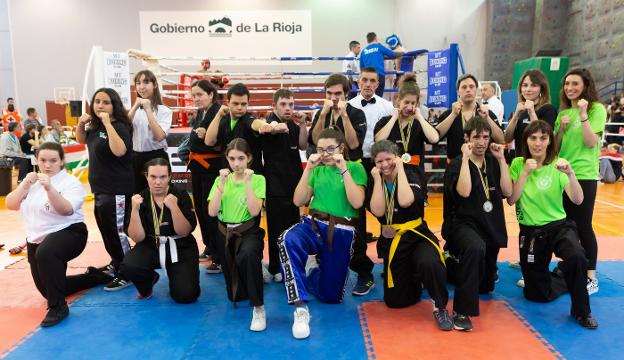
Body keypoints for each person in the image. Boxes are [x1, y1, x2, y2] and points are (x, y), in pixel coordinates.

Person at [5, 142, 113, 327]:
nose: (47, 165)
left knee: (46, 253)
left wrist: (50, 189)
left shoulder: (71, 183)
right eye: (43, 160)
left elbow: (66, 210)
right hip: (37, 239)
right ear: (37, 161)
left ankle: (58, 308)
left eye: (53, 161)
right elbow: (11, 205)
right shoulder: (31, 182)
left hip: (70, 233)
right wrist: (24, 186)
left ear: (62, 161)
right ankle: (94, 277)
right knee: (48, 289)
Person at [507, 120, 598, 329]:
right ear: (526, 140)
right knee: (536, 294)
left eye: (543, 138)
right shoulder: (518, 164)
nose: (538, 143)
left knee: (577, 257)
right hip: (530, 232)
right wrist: (525, 174)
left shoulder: (559, 164)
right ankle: (562, 276)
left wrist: (570, 173)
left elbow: (577, 200)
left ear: (550, 141)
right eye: (533, 138)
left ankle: (582, 312)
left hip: (559, 227)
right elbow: (511, 199)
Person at [279, 128, 367, 339]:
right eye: (321, 149)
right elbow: (298, 201)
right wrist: (308, 169)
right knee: (286, 239)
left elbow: (357, 202)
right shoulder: (317, 170)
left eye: (330, 149)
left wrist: (343, 168)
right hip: (313, 224)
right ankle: (300, 307)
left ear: (341, 148)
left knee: (331, 296)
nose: (325, 154)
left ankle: (312, 271)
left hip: (342, 230)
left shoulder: (355, 168)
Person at [368, 140, 452, 331]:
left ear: (397, 158)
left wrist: (401, 170)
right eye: (379, 161)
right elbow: (379, 211)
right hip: (393, 240)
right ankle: (416, 278)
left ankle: (440, 306)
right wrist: (378, 180)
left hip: (417, 235)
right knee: (395, 301)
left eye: (389, 159)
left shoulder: (413, 172)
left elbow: (405, 201)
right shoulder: (375, 179)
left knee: (429, 262)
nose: (385, 165)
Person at [441, 116, 512, 331]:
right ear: (466, 138)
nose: (481, 142)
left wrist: (501, 159)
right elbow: (464, 191)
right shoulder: (456, 164)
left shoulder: (493, 160)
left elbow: (508, 192)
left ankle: (450, 265)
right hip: (462, 224)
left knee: (485, 287)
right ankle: (462, 311)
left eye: (485, 137)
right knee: (475, 248)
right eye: (476, 137)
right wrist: (464, 159)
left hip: (489, 225)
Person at [308, 74, 371, 295]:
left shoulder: (355, 112)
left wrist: (343, 115)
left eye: (338, 94)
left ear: (346, 94)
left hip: (350, 171)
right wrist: (323, 114)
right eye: (329, 94)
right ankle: (323, 263)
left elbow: (354, 144)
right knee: (324, 218)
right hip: (325, 173)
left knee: (356, 224)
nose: (333, 98)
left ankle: (364, 273)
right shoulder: (321, 113)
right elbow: (315, 141)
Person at [554, 68, 607, 295]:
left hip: (583, 175)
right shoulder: (563, 113)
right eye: (567, 84)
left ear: (586, 85)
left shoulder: (597, 109)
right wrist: (562, 127)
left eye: (575, 84)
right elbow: (555, 147)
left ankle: (591, 276)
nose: (570, 88)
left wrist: (584, 114)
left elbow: (589, 142)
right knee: (565, 224)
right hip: (561, 174)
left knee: (583, 225)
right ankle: (571, 266)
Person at [76, 88, 134, 291]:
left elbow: (120, 151)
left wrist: (108, 123)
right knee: (106, 230)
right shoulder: (94, 126)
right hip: (100, 189)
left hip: (117, 189)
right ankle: (116, 262)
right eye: (97, 101)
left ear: (114, 106)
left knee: (117, 232)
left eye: (106, 102)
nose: (100, 105)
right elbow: (81, 140)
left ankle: (128, 271)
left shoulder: (119, 126)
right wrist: (81, 124)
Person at [120, 158, 200, 303]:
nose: (158, 182)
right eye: (153, 177)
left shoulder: (180, 195)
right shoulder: (140, 198)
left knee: (186, 295)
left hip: (180, 246)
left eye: (163, 177)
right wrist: (135, 211)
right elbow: (137, 238)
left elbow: (184, 231)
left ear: (170, 176)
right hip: (151, 244)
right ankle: (148, 281)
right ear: (146, 176)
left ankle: (177, 275)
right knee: (129, 266)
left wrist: (174, 207)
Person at [208, 138, 267, 332]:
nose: (236, 164)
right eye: (232, 159)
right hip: (224, 233)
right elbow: (212, 212)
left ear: (249, 158)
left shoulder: (258, 179)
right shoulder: (220, 180)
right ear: (226, 159)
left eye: (241, 158)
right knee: (236, 295)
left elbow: (254, 211)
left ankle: (259, 308)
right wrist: (222, 184)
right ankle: (254, 276)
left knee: (248, 255)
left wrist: (248, 182)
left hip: (248, 231)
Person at [259, 89, 308, 282]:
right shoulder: (269, 123)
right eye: (283, 104)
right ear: (274, 106)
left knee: (292, 227)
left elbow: (303, 146)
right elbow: (265, 127)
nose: (288, 108)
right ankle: (275, 267)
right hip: (275, 186)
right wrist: (273, 126)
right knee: (276, 229)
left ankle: (291, 263)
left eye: (291, 104)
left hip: (294, 183)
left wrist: (303, 123)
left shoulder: (293, 124)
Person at [187, 79, 223, 272]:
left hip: (212, 168)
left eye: (200, 94)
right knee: (201, 209)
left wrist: (207, 136)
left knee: (212, 211)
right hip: (198, 167)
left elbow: (222, 142)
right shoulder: (201, 113)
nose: (196, 98)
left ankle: (219, 255)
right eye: (193, 95)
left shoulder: (219, 112)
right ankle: (209, 245)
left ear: (211, 94)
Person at [374, 72, 440, 174]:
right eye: (406, 102)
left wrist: (420, 118)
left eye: (413, 103)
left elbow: (434, 139)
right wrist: (394, 118)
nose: (409, 107)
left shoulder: (419, 123)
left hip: (415, 175)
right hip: (391, 173)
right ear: (398, 100)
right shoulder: (386, 121)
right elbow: (378, 140)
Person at [436, 74, 504, 160]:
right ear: (458, 91)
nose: (468, 90)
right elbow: (435, 137)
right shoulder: (449, 114)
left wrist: (487, 118)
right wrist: (453, 115)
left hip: (482, 167)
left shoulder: (486, 113)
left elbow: (501, 140)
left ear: (476, 90)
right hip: (456, 166)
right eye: (464, 87)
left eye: (471, 87)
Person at [204, 83, 267, 174]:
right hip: (229, 176)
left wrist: (265, 125)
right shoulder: (223, 120)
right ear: (228, 102)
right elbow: (209, 142)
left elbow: (255, 123)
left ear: (248, 103)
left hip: (250, 177)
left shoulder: (248, 119)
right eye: (235, 103)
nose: (240, 107)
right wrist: (218, 115)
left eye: (243, 104)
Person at [129, 70, 173, 194]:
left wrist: (148, 110)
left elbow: (159, 136)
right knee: (138, 196)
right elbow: (124, 129)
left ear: (154, 84)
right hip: (136, 157)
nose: (141, 87)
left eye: (146, 82)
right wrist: (134, 107)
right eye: (138, 83)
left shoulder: (164, 111)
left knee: (160, 195)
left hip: (156, 157)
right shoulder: (135, 110)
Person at [504, 70, 558, 154]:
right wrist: (516, 116)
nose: (528, 89)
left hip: (539, 161)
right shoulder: (520, 110)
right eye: (525, 85)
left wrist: (532, 112)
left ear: (541, 88)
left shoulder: (548, 110)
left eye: (533, 85)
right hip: (520, 161)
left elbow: (544, 137)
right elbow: (507, 139)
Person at [360, 32, 404, 97]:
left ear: (367, 40)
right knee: (378, 98)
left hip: (367, 77)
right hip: (378, 75)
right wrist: (404, 53)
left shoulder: (363, 51)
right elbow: (392, 54)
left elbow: (362, 68)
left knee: (368, 97)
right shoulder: (378, 47)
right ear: (375, 38)